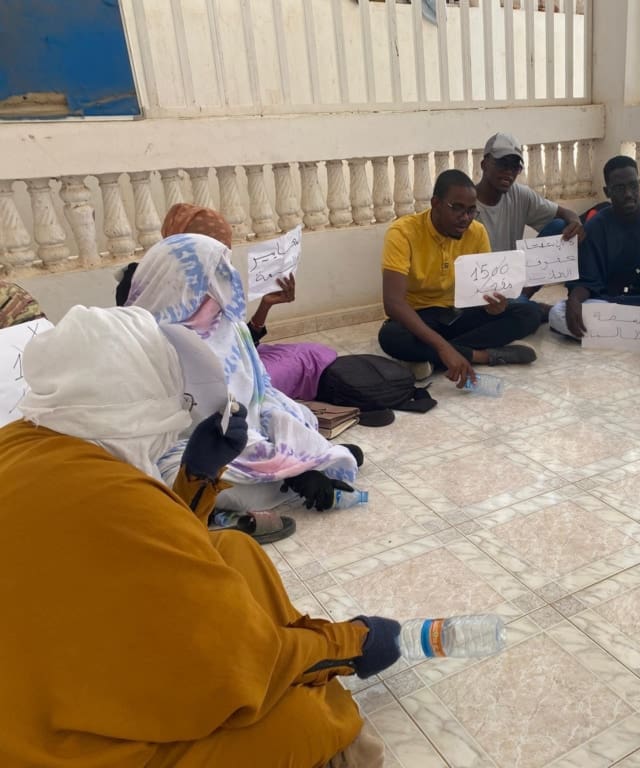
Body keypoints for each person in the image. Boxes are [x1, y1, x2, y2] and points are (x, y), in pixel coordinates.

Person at [0, 304, 399, 767]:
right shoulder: (118, 500)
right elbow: (246, 668)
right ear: (144, 399)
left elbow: (150, 554)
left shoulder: (20, 443)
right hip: (57, 745)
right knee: (304, 722)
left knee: (231, 546)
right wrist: (350, 644)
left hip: (51, 676)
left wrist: (198, 476)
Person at [124, 233, 363, 514]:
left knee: (292, 415)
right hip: (187, 446)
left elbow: (260, 394)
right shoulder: (150, 341)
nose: (228, 280)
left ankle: (294, 463)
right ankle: (285, 473)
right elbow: (214, 425)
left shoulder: (230, 325)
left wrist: (289, 452)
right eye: (218, 272)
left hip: (245, 431)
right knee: (174, 483)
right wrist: (295, 471)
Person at [116, 204, 340, 406]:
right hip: (192, 394)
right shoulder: (141, 287)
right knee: (296, 364)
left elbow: (232, 346)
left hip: (220, 376)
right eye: (216, 249)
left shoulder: (214, 281)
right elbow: (202, 366)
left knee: (309, 351)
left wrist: (265, 306)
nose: (222, 259)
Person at [378, 169, 543, 386]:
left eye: (471, 210)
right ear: (435, 203)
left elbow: (482, 292)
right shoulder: (402, 233)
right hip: (421, 316)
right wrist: (443, 347)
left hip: (459, 312)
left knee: (529, 312)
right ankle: (482, 356)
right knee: (391, 336)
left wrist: (494, 307)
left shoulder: (477, 232)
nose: (465, 218)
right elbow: (393, 304)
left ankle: (431, 359)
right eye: (457, 208)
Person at [548, 155, 640, 338]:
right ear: (607, 192)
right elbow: (587, 282)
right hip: (610, 306)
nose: (629, 194)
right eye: (620, 188)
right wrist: (574, 300)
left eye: (633, 185)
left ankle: (623, 335)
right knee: (557, 313)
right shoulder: (595, 227)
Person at [475, 132, 585, 305]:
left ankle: (521, 300)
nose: (509, 172)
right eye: (502, 164)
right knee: (527, 315)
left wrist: (576, 224)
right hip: (479, 285)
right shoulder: (466, 204)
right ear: (484, 164)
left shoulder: (519, 194)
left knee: (560, 227)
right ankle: (523, 307)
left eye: (515, 167)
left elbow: (564, 214)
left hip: (513, 280)